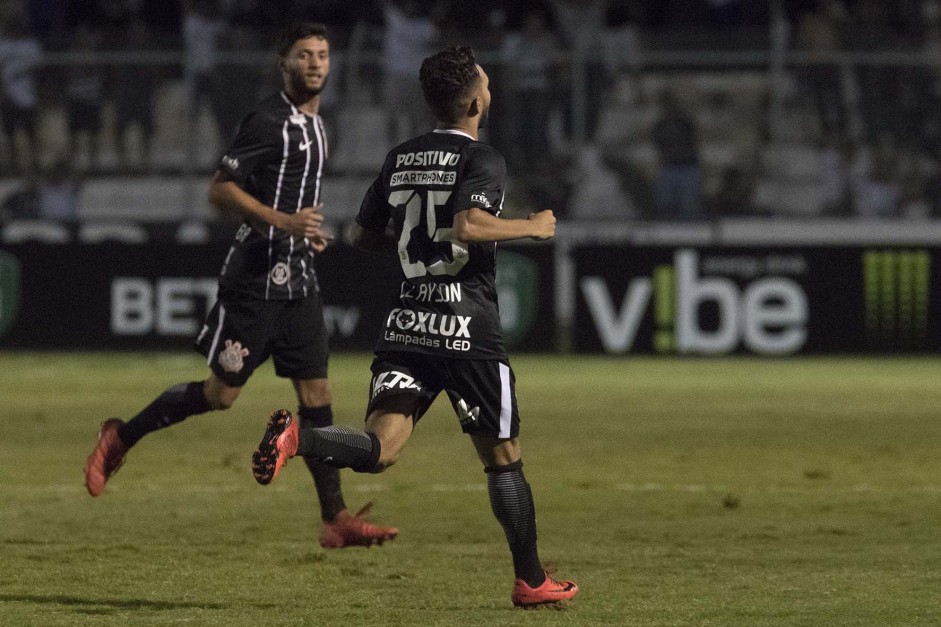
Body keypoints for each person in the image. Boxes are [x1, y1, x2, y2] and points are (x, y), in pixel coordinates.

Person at [250, 45, 579, 608]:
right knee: (503, 456)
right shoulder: (485, 160)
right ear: (475, 100)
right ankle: (530, 580)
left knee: (381, 448)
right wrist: (533, 225)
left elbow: (361, 234)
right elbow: (471, 224)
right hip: (467, 330)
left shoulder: (401, 156)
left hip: (407, 323)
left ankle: (299, 438)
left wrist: (413, 247)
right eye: (486, 80)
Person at [84, 22, 398, 550]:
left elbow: (294, 206)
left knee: (317, 395)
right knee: (220, 395)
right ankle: (121, 435)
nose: (316, 63)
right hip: (254, 281)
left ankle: (334, 517)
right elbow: (220, 188)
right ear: (284, 63)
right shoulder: (268, 121)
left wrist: (305, 235)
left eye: (323, 54)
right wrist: (282, 221)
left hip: (299, 278)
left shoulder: (320, 127)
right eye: (305, 55)